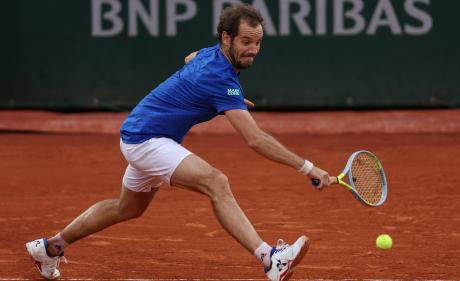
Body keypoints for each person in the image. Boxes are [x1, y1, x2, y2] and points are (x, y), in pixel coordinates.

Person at [25, 4, 335, 281]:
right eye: (245, 41)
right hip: (146, 139)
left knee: (126, 208)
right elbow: (255, 139)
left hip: (142, 133)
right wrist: (307, 167)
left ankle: (50, 248)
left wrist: (231, 98)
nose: (253, 49)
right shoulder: (220, 79)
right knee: (216, 182)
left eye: (257, 42)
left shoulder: (210, 55)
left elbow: (191, 58)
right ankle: (270, 260)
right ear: (226, 38)